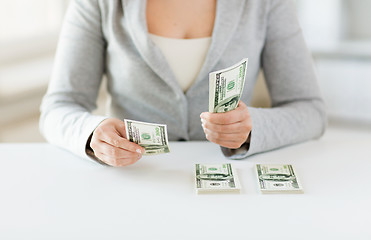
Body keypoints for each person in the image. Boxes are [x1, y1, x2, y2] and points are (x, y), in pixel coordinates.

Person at [40, 0, 327, 167]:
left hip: (229, 194)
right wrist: (92, 134)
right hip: (134, 183)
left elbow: (310, 111)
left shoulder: (266, 4)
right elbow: (58, 107)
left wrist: (253, 128)